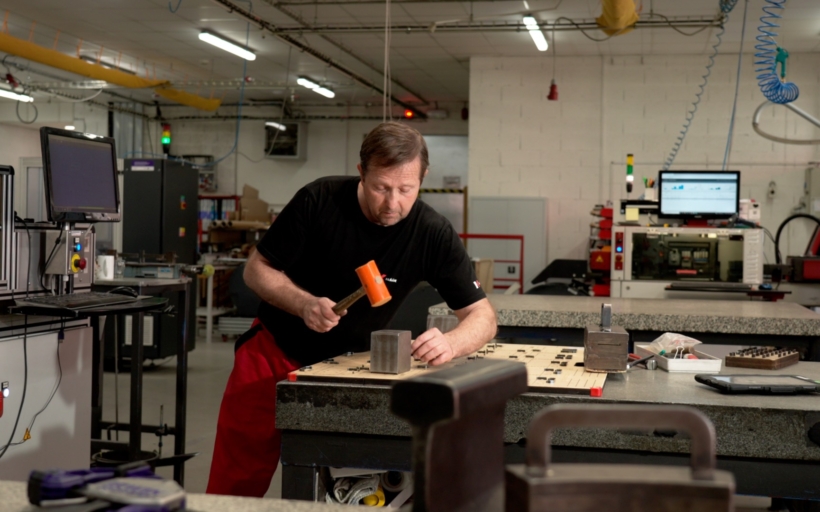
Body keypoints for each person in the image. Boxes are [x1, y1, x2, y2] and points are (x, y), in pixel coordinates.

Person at [206, 121, 498, 497]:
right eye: (381, 188)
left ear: (423, 178)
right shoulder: (319, 200)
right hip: (274, 356)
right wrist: (303, 303)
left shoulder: (432, 233)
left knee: (347, 483)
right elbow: (256, 269)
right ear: (361, 172)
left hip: (351, 369)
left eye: (406, 189)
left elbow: (483, 317)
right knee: (234, 484)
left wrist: (452, 343)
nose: (393, 204)